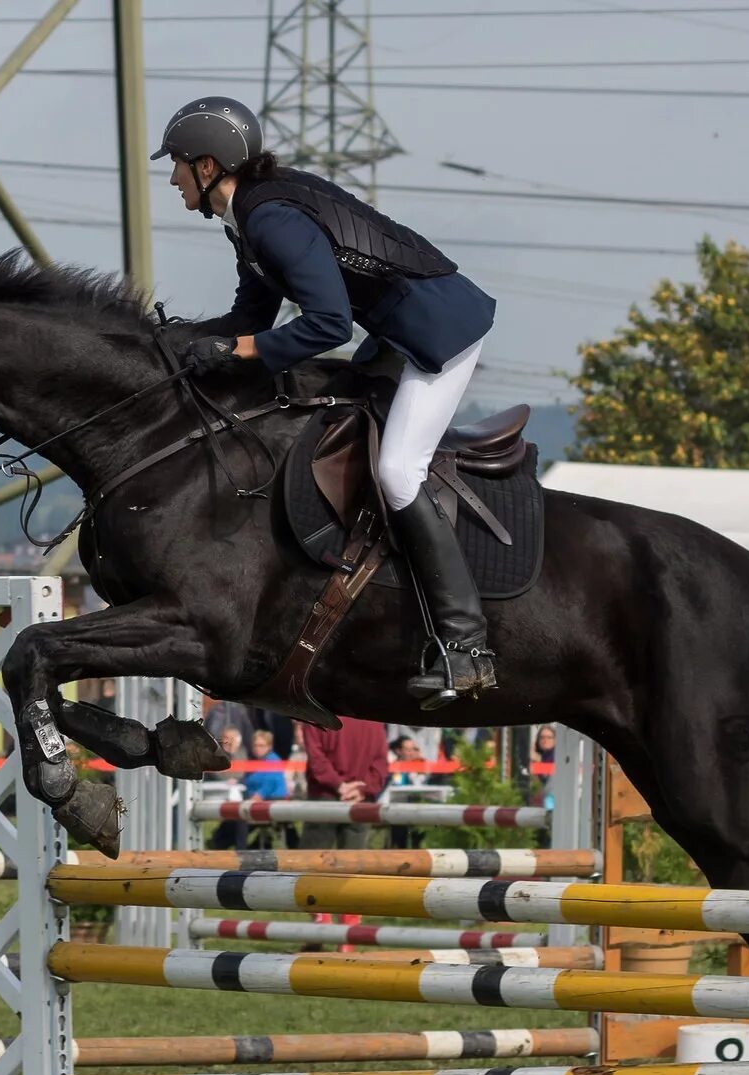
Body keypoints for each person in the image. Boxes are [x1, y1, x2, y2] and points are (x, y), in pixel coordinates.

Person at [155, 95, 501, 706]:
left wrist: (233, 353)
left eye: (177, 164)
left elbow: (328, 326)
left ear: (207, 167)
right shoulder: (249, 219)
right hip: (395, 331)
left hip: (439, 335)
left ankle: (466, 646)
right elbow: (250, 317)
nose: (172, 176)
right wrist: (180, 342)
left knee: (398, 472)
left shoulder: (272, 221)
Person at [299, 716, 389, 850]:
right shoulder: (374, 719)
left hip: (324, 796)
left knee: (312, 861)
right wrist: (362, 789)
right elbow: (380, 763)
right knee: (354, 863)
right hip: (359, 798)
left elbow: (316, 758)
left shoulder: (315, 715)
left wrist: (339, 785)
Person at [206, 726, 251, 850]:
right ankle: (220, 841)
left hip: (239, 790)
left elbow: (243, 772)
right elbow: (214, 772)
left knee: (240, 815)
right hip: (218, 789)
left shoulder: (242, 753)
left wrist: (233, 752)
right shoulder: (215, 752)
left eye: (232, 739)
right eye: (226, 738)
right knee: (235, 815)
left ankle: (223, 842)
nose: (228, 742)